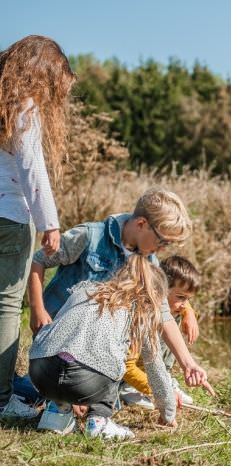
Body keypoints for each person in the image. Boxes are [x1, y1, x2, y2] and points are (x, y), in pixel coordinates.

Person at [27, 187, 210, 433]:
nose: (163, 248)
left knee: (87, 367)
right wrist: (37, 308)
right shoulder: (91, 236)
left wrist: (188, 363)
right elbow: (38, 260)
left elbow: (163, 315)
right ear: (142, 224)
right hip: (58, 336)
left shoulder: (149, 263)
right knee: (114, 354)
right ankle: (88, 411)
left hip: (86, 353)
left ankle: (63, 404)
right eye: (162, 240)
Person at [29, 255, 211, 439]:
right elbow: (155, 366)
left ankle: (56, 411)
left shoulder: (87, 290)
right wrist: (168, 412)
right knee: (112, 354)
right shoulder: (138, 310)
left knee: (69, 348)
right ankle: (98, 421)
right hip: (83, 381)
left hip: (40, 374)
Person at [0, 35, 75, 419]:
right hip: (9, 216)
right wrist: (50, 223)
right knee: (6, 306)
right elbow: (32, 170)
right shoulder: (24, 106)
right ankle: (2, 400)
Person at [121, 255, 200, 408]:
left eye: (188, 299)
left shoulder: (171, 305)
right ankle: (129, 388)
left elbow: (179, 303)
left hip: (146, 369)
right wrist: (160, 390)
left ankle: (165, 376)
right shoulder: (141, 315)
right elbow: (127, 367)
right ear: (160, 288)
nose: (185, 304)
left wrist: (189, 312)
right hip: (125, 375)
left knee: (173, 316)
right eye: (181, 297)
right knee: (168, 319)